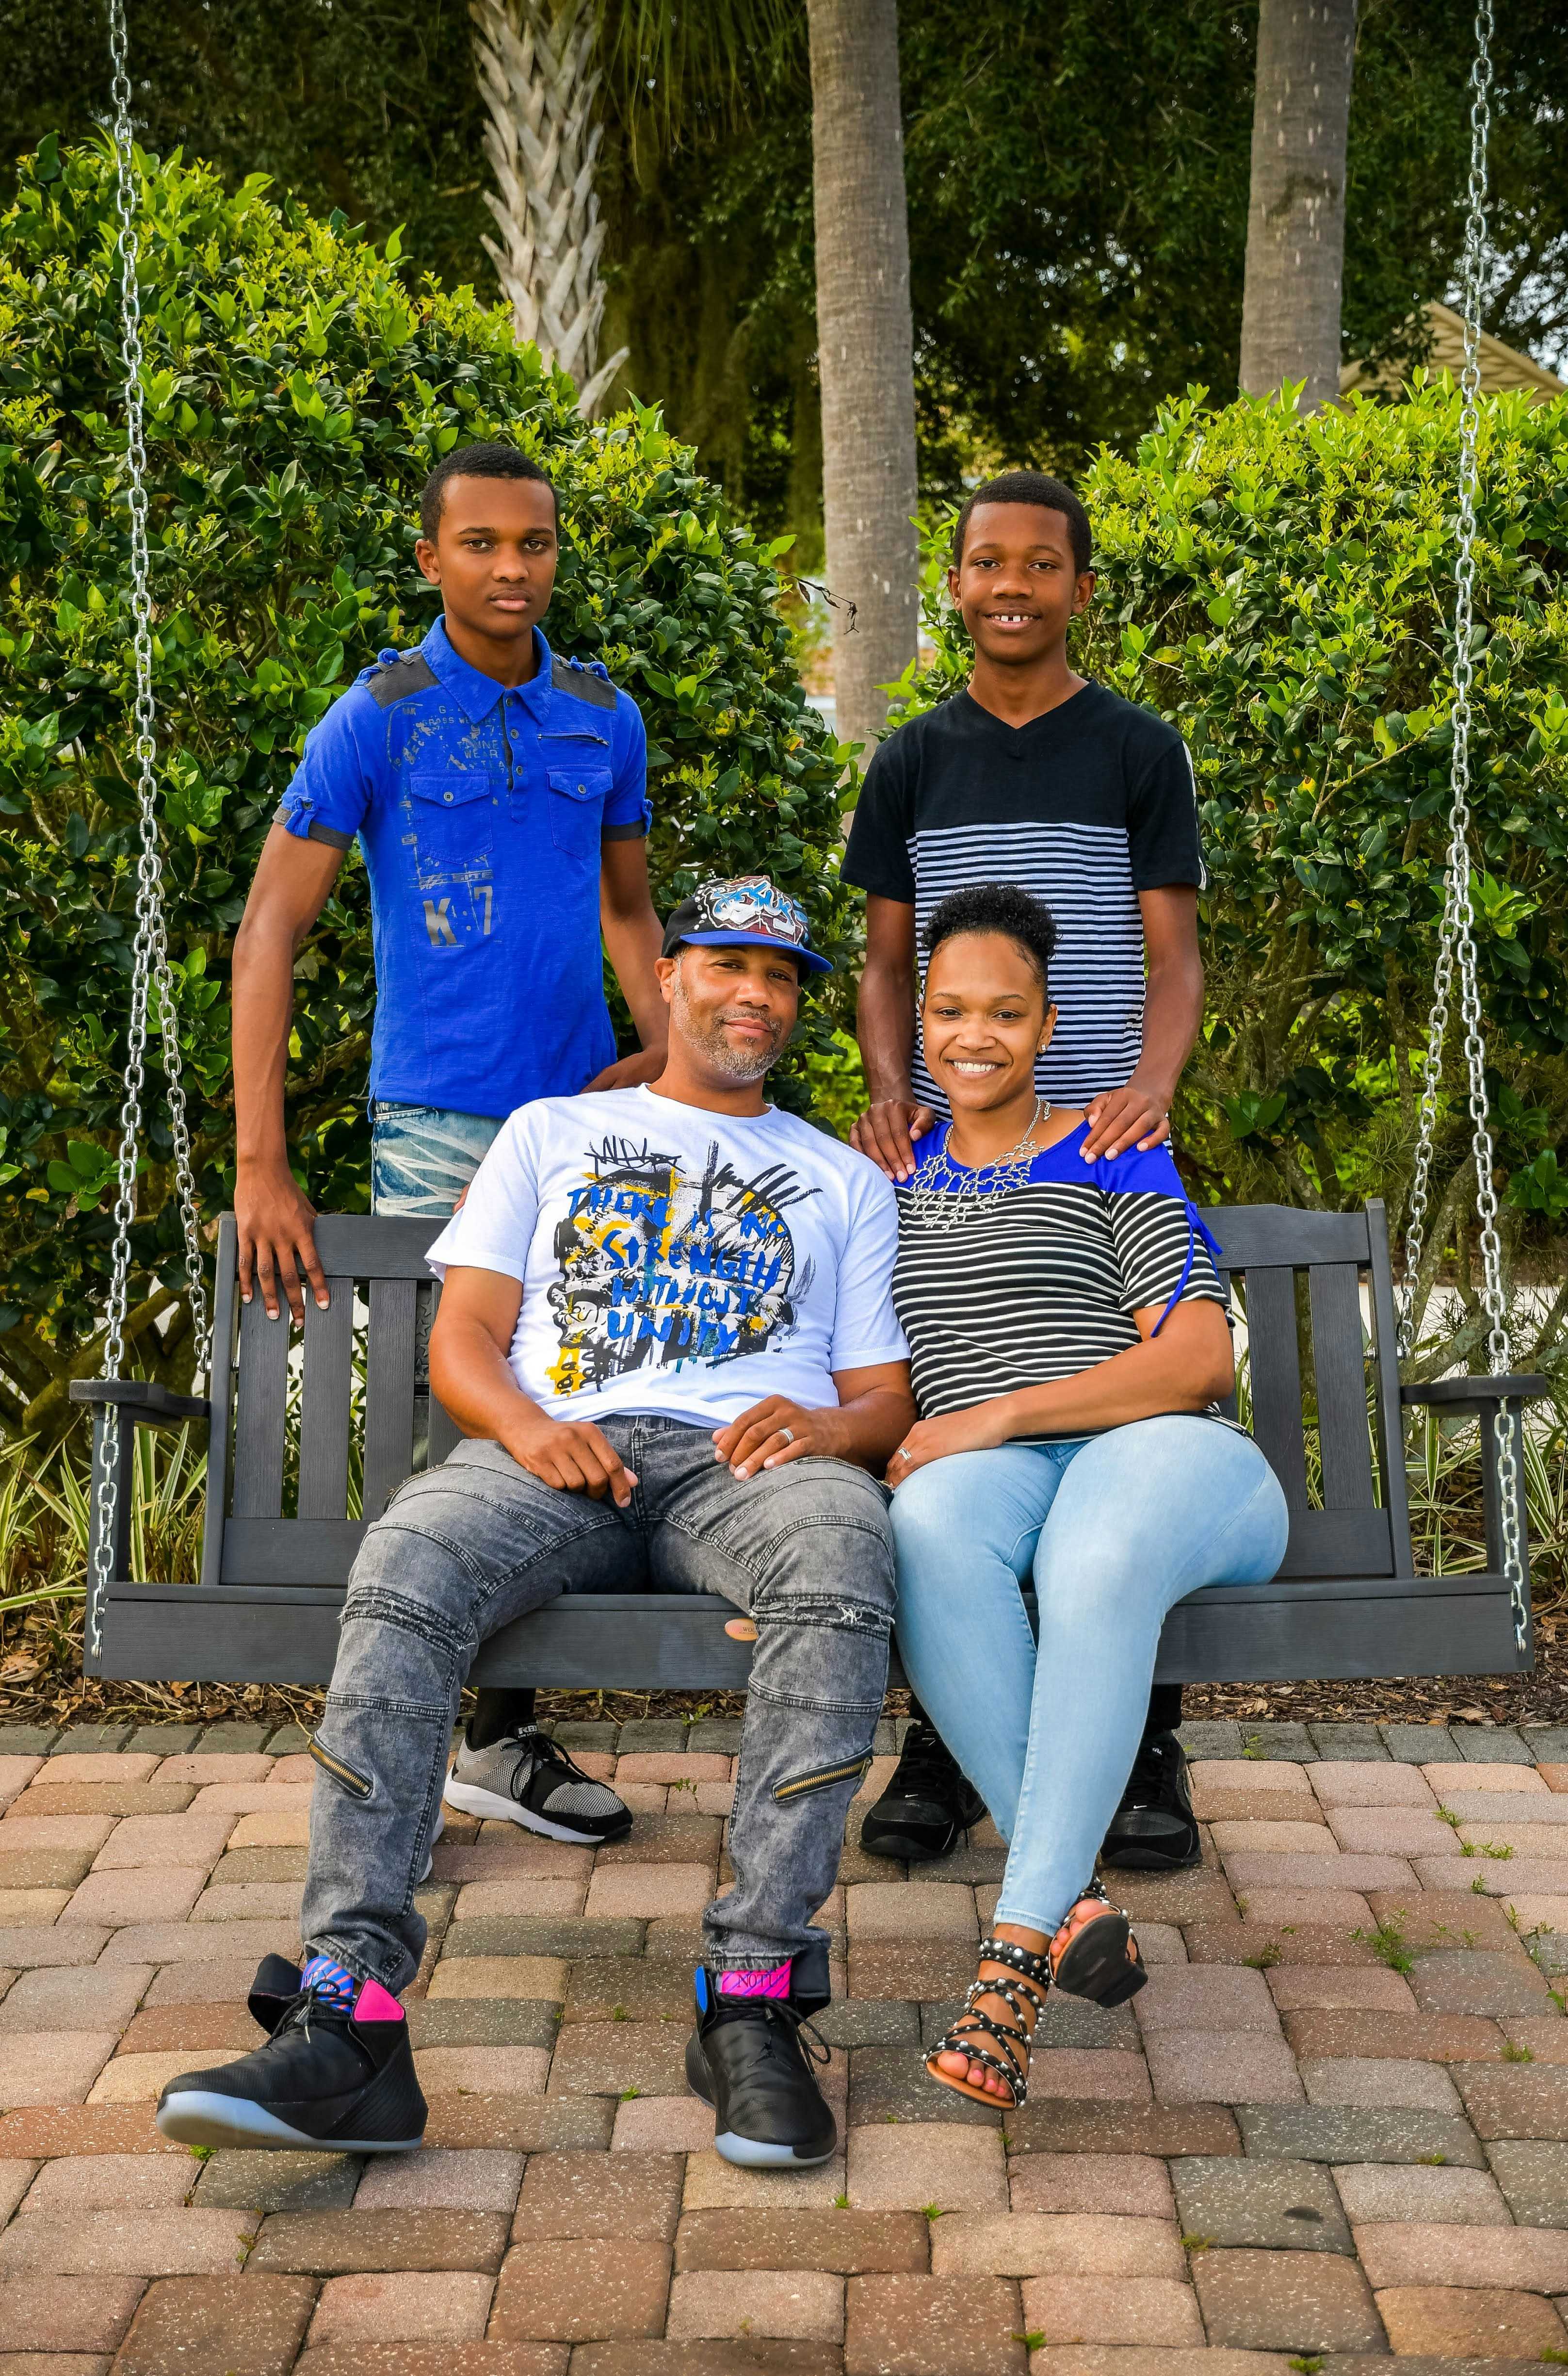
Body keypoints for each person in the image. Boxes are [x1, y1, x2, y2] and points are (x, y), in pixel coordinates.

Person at [156, 875, 914, 2169]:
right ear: (668, 978)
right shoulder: (551, 1131)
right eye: (728, 965)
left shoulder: (840, 1177)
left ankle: (755, 2000)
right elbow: (460, 1338)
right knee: (403, 1563)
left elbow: (881, 1395)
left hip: (748, 1463)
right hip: (551, 1452)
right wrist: (524, 1424)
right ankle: (352, 2017)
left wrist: (828, 1435)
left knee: (844, 1562)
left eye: (781, 976)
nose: (756, 993)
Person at [230, 438, 669, 1835]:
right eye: (478, 544)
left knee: (577, 1400)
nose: (510, 569)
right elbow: (270, 931)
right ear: (430, 559)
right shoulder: (378, 715)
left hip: (582, 1124)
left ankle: (508, 1738)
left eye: (532, 544)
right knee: (450, 1418)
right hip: (435, 1123)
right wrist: (262, 1160)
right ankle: (423, 1752)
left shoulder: (603, 715)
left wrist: (665, 1054)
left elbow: (630, 912)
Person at [841, 468, 1207, 1872]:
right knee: (953, 1386)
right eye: (985, 562)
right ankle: (946, 1740)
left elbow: (1172, 957)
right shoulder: (912, 761)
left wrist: (1149, 1087)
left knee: (1126, 1429)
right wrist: (891, 1092)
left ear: (1078, 589)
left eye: (1038, 565)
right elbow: (885, 961)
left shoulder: (1134, 748)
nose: (1009, 586)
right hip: (960, 1134)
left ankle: (1146, 1746)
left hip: (1101, 1138)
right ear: (953, 583)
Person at [878, 883, 1288, 2108]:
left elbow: (1197, 1356)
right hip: (995, 1480)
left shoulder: (1113, 1147)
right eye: (948, 1009)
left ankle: (1010, 1958)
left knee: (1092, 1555)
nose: (973, 1035)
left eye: (1005, 1012)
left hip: (1165, 1457)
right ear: (920, 1022)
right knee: (924, 1528)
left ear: (1048, 1023)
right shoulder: (892, 1174)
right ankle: (1071, 1903)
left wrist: (998, 1411)